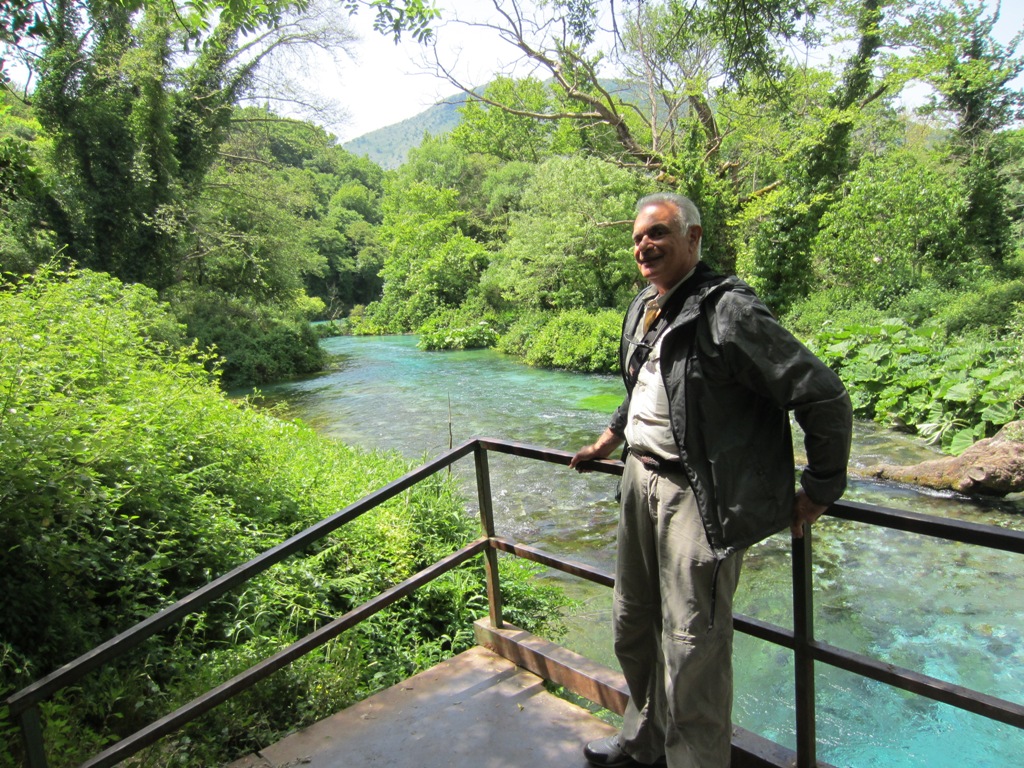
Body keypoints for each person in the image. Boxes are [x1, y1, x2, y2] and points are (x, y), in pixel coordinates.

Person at [569, 193, 853, 768]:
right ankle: (643, 740)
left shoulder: (729, 311)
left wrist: (820, 489)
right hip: (637, 480)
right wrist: (611, 436)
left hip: (697, 497)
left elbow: (822, 395)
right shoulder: (646, 303)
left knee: (692, 646)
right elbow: (646, 386)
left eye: (658, 233)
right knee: (632, 621)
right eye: (637, 237)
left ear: (693, 239)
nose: (643, 246)